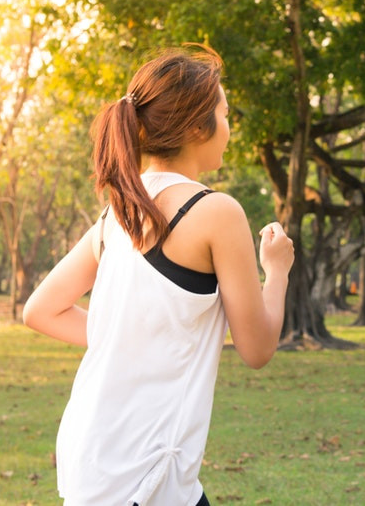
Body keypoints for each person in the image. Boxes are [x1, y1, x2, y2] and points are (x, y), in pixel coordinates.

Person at [23, 45, 295, 506]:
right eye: (225, 115)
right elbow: (257, 348)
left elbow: (40, 310)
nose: (229, 129)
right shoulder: (216, 212)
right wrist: (277, 271)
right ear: (195, 127)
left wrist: (129, 336)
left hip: (92, 453)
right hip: (146, 468)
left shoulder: (118, 214)